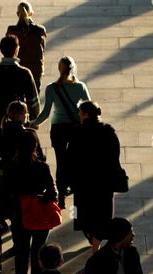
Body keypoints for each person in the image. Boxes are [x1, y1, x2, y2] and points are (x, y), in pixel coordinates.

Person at [30, 56, 90, 209]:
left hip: (58, 129)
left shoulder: (52, 88)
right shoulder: (81, 87)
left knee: (61, 161)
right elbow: (88, 108)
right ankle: (75, 190)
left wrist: (33, 124)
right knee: (75, 161)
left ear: (59, 69)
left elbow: (46, 113)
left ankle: (61, 196)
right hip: (75, 129)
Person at [1, 128, 57, 274]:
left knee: (21, 251)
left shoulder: (10, 167)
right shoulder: (42, 167)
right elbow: (53, 193)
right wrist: (39, 199)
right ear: (35, 146)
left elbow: (3, 194)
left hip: (19, 215)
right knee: (38, 251)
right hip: (40, 216)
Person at [67, 100, 122, 251]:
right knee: (103, 214)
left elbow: (70, 158)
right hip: (104, 182)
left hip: (83, 182)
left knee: (85, 214)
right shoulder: (108, 132)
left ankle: (93, 241)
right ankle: (96, 240)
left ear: (84, 114)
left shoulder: (76, 132)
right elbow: (115, 155)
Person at [0, 35, 39, 130]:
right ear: (16, 50)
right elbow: (32, 99)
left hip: (1, 117)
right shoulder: (24, 72)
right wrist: (34, 118)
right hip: (20, 115)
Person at [0, 100, 44, 187]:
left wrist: (4, 168)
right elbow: (41, 157)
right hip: (26, 177)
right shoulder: (31, 133)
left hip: (5, 178)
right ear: (25, 115)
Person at [6, 2, 46, 92]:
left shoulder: (11, 30)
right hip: (35, 69)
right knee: (34, 96)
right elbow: (42, 51)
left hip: (17, 68)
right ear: (31, 13)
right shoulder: (40, 30)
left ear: (17, 14)